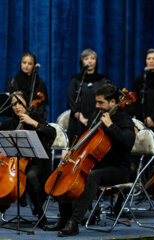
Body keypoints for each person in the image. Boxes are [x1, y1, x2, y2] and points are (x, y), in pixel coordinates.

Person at [43, 83, 135, 237]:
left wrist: (111, 126)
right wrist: (71, 151)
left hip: (118, 169)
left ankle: (74, 222)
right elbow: (85, 138)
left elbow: (128, 142)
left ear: (113, 102)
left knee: (93, 176)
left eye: (101, 102)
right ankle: (64, 219)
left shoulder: (123, 119)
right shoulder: (97, 115)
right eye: (97, 102)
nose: (97, 105)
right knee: (64, 173)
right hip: (96, 164)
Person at [0, 91, 56, 228]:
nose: (17, 107)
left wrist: (33, 123)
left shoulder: (36, 117)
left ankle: (39, 211)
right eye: (13, 104)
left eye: (20, 103)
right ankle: (3, 204)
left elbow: (52, 133)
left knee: (31, 176)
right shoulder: (9, 122)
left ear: (27, 103)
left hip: (36, 161)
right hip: (14, 161)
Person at [66, 48, 110, 145]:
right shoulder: (76, 79)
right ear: (82, 62)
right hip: (78, 120)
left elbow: (108, 100)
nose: (89, 61)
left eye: (92, 58)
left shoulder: (102, 80)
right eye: (86, 58)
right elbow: (70, 100)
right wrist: (79, 116)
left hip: (97, 120)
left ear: (96, 61)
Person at [6, 52, 49, 120]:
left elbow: (42, 106)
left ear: (34, 66)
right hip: (15, 118)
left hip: (34, 119)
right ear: (20, 63)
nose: (26, 65)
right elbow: (9, 104)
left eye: (30, 64)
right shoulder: (13, 82)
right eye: (24, 62)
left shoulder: (39, 83)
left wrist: (31, 117)